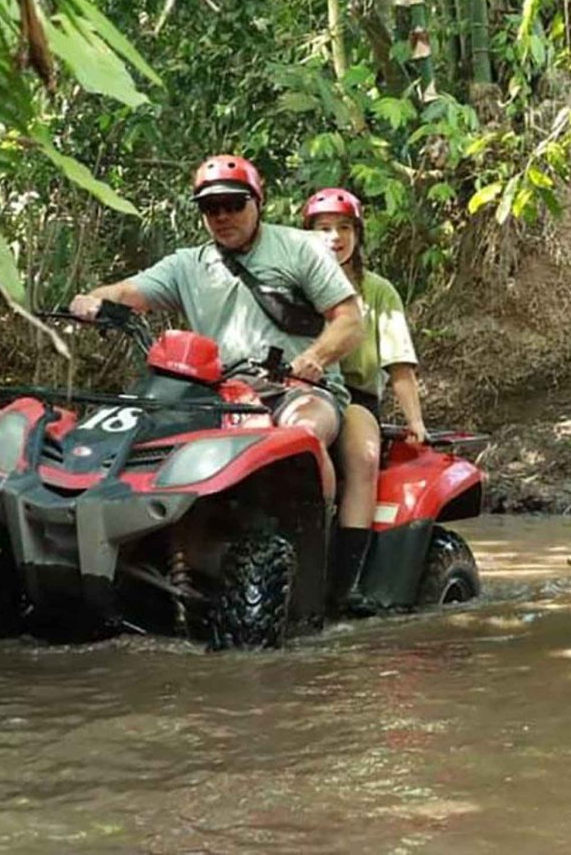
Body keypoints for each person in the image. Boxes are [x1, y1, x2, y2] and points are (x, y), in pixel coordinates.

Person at [70, 155, 367, 600]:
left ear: (257, 202)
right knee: (146, 441)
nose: (223, 216)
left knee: (303, 434)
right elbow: (131, 292)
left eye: (233, 203)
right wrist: (93, 299)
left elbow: (349, 320)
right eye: (211, 208)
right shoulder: (188, 264)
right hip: (216, 396)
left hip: (298, 390)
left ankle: (317, 561)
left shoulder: (299, 249)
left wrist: (314, 358)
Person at [302, 187, 428, 581]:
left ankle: (347, 579)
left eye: (344, 228)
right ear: (306, 235)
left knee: (363, 455)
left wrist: (416, 422)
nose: (334, 238)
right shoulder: (290, 283)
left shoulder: (377, 290)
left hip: (353, 399)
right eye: (323, 229)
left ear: (357, 235)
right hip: (291, 392)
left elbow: (399, 365)